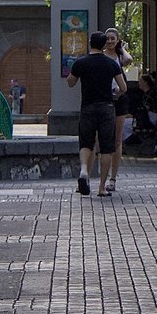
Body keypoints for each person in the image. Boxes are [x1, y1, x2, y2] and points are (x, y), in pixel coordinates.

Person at [65, 26, 126, 195]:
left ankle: (84, 170)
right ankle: (101, 188)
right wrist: (116, 94)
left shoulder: (81, 62)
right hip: (107, 108)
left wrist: (75, 71)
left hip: (87, 107)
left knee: (86, 143)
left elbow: (70, 82)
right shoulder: (111, 63)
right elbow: (123, 87)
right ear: (104, 44)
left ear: (90, 43)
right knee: (106, 147)